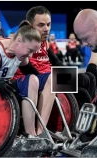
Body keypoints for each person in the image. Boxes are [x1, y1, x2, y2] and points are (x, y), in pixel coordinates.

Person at [13, 6, 63, 136]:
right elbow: (25, 67)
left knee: (85, 82)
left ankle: (75, 129)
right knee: (55, 79)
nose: (46, 29)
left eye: (48, 24)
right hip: (29, 79)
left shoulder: (44, 41)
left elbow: (57, 62)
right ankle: (41, 131)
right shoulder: (23, 40)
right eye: (41, 25)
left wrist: (71, 75)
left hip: (44, 76)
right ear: (30, 25)